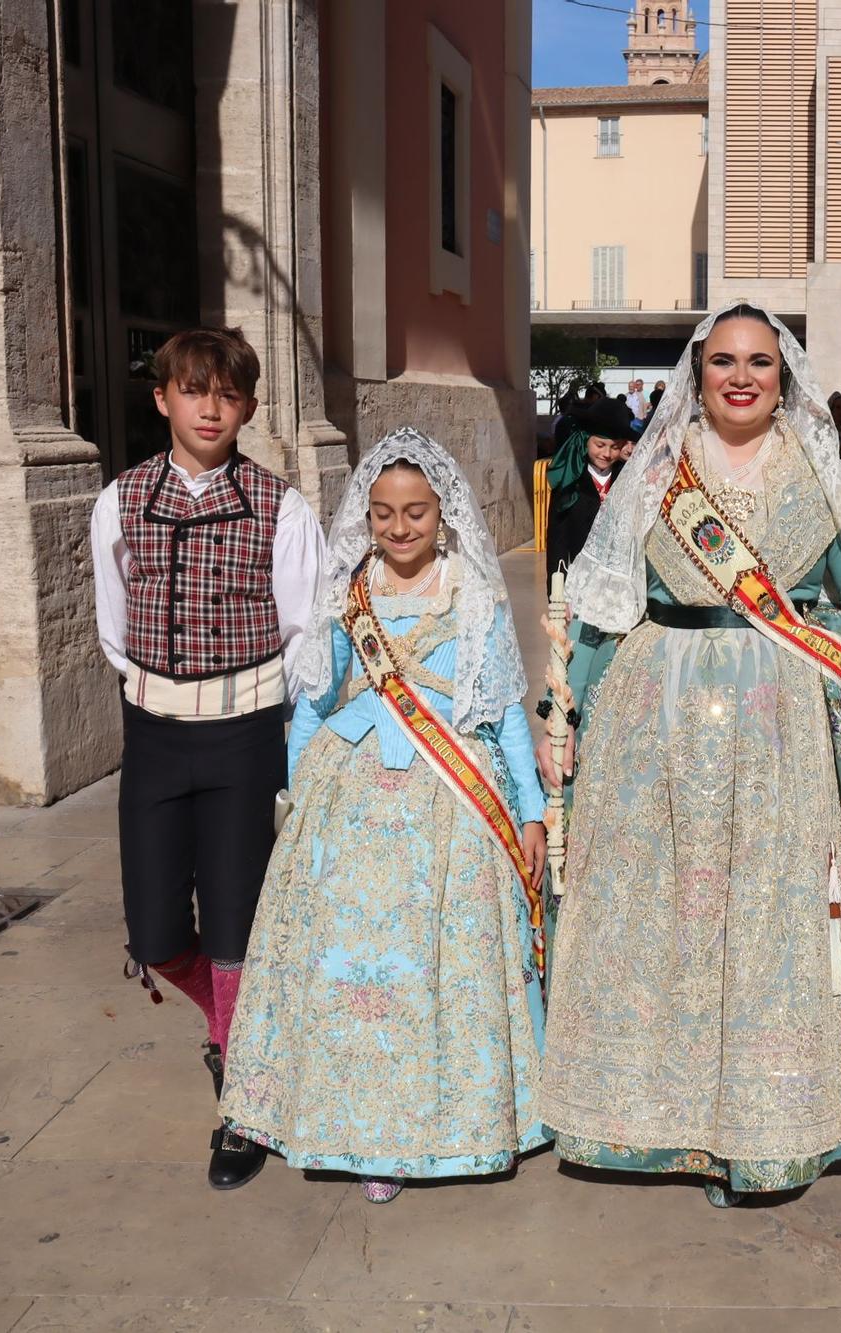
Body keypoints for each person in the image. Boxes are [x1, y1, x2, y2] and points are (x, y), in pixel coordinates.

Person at [538, 302, 841, 1208]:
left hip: (781, 718)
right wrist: (567, 711)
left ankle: (764, 1128)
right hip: (651, 718)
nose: (740, 378)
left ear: (785, 376)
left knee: (769, 919)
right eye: (722, 363)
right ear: (696, 375)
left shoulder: (827, 476)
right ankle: (645, 1119)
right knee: (658, 912)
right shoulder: (653, 473)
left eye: (760, 362)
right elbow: (608, 604)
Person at [220, 428, 548, 1205]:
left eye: (417, 514)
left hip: (452, 797)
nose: (400, 529)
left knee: (440, 966)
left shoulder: (473, 594)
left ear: (444, 514)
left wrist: (529, 813)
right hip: (352, 792)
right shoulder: (347, 594)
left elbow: (502, 715)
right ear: (365, 517)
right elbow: (313, 704)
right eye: (383, 515)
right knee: (357, 968)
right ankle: (364, 1125)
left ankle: (454, 1120)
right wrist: (297, 801)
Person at [90, 325, 327, 1190]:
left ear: (248, 409)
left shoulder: (281, 506)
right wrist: (160, 692)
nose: (209, 408)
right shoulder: (117, 503)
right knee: (155, 932)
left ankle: (244, 1099)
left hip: (245, 733)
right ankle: (236, 1029)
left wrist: (282, 735)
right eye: (193, 391)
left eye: (227, 395)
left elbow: (306, 633)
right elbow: (115, 627)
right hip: (154, 733)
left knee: (234, 923)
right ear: (162, 399)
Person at [544, 397, 640, 579]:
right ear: (586, 440)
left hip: (619, 582)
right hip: (579, 579)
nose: (606, 454)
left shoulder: (628, 479)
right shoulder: (571, 481)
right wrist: (556, 595)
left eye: (615, 447)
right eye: (600, 445)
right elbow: (558, 542)